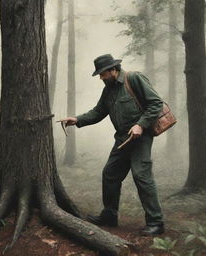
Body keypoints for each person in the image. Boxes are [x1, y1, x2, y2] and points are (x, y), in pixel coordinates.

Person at [61, 54, 164, 235]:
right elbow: (98, 112)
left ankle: (156, 222)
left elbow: (156, 103)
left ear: (113, 70)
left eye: (102, 74)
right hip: (122, 139)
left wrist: (141, 124)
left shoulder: (134, 78)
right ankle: (109, 216)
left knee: (141, 175)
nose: (101, 78)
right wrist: (76, 119)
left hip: (141, 138)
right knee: (110, 174)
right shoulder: (108, 90)